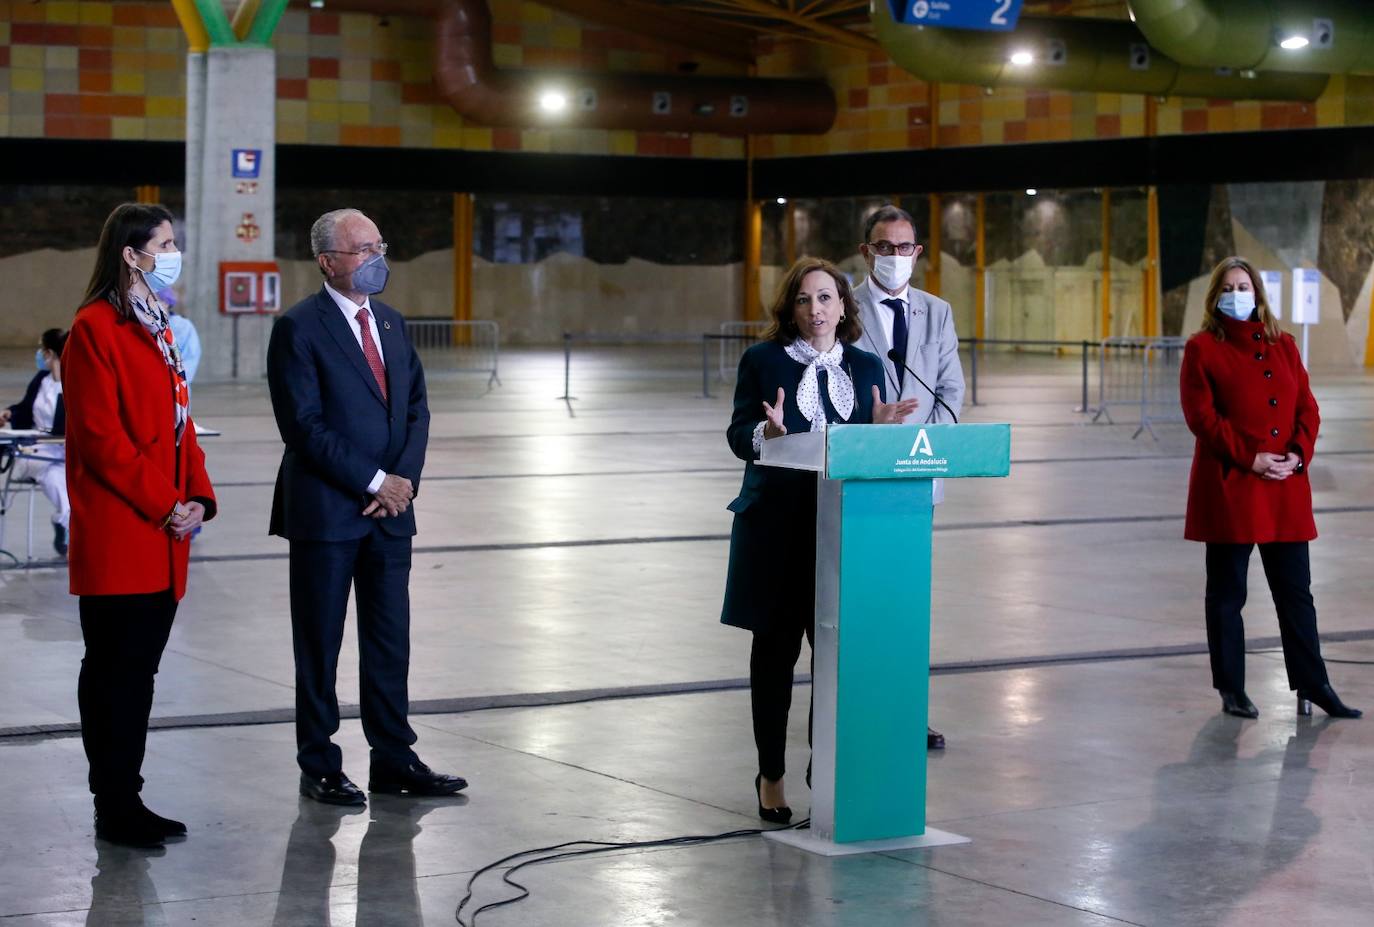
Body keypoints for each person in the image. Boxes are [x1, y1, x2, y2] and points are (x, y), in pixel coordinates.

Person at [267, 208, 465, 807]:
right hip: (328, 512)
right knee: (320, 642)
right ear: (328, 261)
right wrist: (374, 480)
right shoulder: (298, 328)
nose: (377, 258)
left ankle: (394, 758)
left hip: (390, 512)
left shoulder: (393, 323)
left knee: (388, 638)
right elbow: (303, 425)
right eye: (362, 249)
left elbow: (416, 410)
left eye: (380, 245)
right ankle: (320, 763)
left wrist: (402, 482)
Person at [721, 257, 919, 823]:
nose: (817, 311)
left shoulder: (863, 364)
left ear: (843, 306)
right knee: (775, 659)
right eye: (805, 300)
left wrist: (879, 431)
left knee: (834, 660)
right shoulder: (761, 360)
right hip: (777, 534)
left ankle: (823, 760)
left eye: (827, 299)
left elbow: (865, 448)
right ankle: (772, 773)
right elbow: (738, 434)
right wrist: (768, 432)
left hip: (843, 533)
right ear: (791, 308)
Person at [62, 202, 217, 848]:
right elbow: (102, 440)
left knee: (139, 676)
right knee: (115, 675)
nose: (172, 252)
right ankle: (113, 801)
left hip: (164, 541)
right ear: (131, 254)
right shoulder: (92, 330)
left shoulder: (157, 328)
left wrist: (199, 498)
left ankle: (129, 793)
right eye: (165, 243)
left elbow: (182, 426)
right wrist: (164, 502)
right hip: (123, 537)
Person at [1180, 256, 1360, 721]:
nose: (1237, 294)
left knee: (1296, 592)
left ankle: (1313, 684)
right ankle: (1232, 688)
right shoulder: (1202, 349)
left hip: (1284, 488)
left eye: (1245, 286)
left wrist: (1297, 455)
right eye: (1229, 287)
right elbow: (1202, 419)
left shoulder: (1285, 346)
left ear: (1258, 294)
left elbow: (1307, 408)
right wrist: (1250, 457)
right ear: (1215, 295)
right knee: (1227, 594)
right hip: (1233, 488)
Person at [852, 203, 966, 751]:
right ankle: (859, 708)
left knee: (909, 601)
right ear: (866, 250)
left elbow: (950, 393)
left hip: (917, 477)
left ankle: (909, 711)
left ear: (917, 252)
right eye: (884, 246)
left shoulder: (936, 311)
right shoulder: (840, 307)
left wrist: (920, 447)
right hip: (858, 475)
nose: (895, 256)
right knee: (859, 600)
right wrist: (875, 442)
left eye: (905, 247)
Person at [2, 328, 70, 556]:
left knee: (57, 479)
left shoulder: (76, 382)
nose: (39, 355)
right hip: (36, 449)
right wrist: (9, 413)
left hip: (65, 452)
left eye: (42, 350)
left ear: (50, 353)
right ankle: (63, 521)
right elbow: (24, 408)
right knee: (48, 472)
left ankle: (63, 522)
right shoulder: (41, 380)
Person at [157, 288, 202, 388]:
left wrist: (172, 380)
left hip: (176, 388)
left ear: (166, 302)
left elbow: (191, 358)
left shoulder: (183, 327)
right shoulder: (145, 326)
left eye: (153, 300)